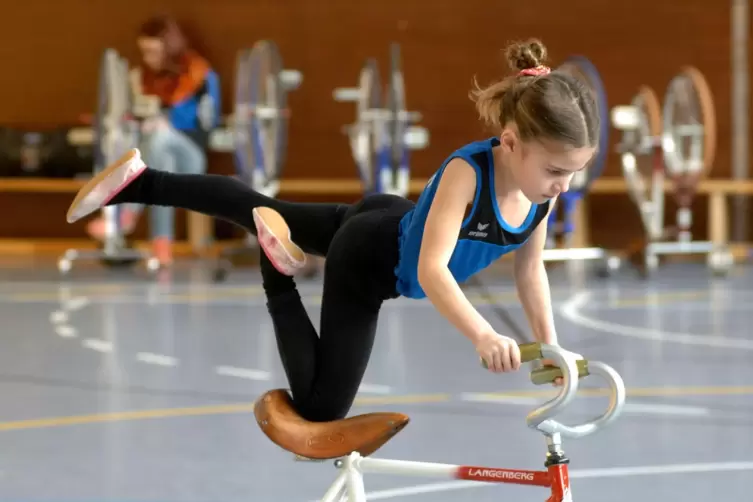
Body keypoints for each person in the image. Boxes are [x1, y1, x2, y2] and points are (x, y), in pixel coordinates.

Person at [66, 38, 598, 446]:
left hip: (386, 218)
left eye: (575, 171)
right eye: (556, 169)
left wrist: (551, 349)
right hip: (368, 260)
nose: (564, 185)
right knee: (320, 411)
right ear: (510, 143)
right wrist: (483, 336)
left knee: (261, 208)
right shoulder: (470, 172)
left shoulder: (541, 196)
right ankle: (277, 272)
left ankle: (139, 182)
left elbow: (531, 271)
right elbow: (434, 271)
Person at [86, 14, 221, 267]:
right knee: (159, 167)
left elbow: (208, 122)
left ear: (168, 48)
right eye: (144, 52)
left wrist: (167, 122)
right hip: (157, 156)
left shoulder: (199, 74)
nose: (149, 59)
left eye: (154, 52)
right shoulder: (142, 78)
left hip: (191, 156)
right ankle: (161, 246)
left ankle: (128, 212)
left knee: (159, 138)